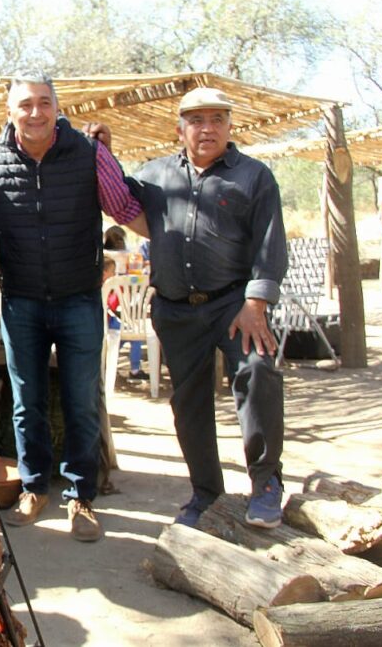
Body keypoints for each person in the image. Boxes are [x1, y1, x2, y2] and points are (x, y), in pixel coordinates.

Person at [0, 69, 145, 541]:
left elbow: (124, 206)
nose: (35, 112)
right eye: (25, 104)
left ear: (57, 107)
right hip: (22, 301)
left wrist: (176, 241)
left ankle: (81, 498)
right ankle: (33, 489)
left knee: (82, 403)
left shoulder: (90, 153)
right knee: (26, 403)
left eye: (43, 103)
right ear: (10, 112)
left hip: (78, 299)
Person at [127, 86, 287, 528]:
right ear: (180, 128)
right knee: (189, 402)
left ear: (229, 126)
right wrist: (99, 148)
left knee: (258, 371)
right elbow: (116, 197)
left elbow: (271, 245)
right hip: (176, 309)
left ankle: (267, 482)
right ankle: (206, 494)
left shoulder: (254, 177)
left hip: (236, 305)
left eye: (217, 119)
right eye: (197, 120)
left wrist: (256, 302)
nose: (207, 128)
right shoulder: (154, 175)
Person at [104, 227, 147, 380]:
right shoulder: (128, 265)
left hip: (108, 318)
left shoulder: (103, 264)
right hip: (113, 317)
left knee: (122, 332)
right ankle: (135, 369)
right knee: (131, 330)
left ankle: (111, 361)